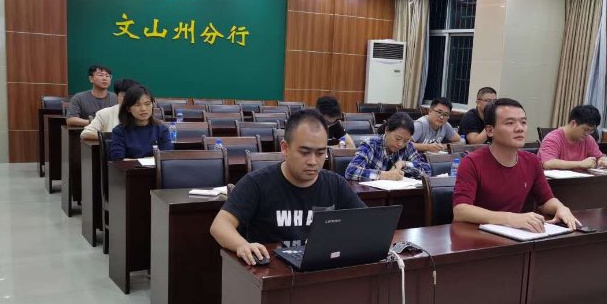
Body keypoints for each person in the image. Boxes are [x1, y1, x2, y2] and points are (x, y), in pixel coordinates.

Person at [210, 108, 366, 266]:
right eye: (304, 152)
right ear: (285, 148)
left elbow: (366, 223)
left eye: (320, 153)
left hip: (319, 268)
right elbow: (220, 225)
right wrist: (242, 245)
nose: (313, 161)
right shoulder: (256, 183)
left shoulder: (335, 184)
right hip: (270, 269)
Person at [453, 98, 580, 232]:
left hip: (512, 236)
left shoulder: (531, 161)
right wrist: (510, 218)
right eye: (510, 123)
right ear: (490, 130)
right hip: (474, 234)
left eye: (523, 122)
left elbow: (546, 201)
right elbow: (460, 210)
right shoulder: (472, 162)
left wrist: (561, 208)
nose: (519, 128)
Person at [345, 112, 431, 182]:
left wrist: (403, 164)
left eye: (405, 140)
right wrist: (385, 175)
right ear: (387, 131)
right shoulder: (371, 145)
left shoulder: (408, 147)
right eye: (397, 138)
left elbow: (426, 170)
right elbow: (351, 171)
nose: (401, 144)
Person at [538, 105, 607, 170]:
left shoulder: (588, 139)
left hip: (579, 180)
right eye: (585, 130)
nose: (587, 134)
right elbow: (548, 163)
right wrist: (580, 164)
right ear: (573, 123)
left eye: (591, 130)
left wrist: (604, 161)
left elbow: (600, 156)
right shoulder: (552, 138)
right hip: (555, 181)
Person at [109, 85, 173, 160]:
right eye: (137, 105)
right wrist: (152, 160)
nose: (143, 109)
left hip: (156, 168)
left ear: (152, 105)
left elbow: (167, 157)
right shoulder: (119, 131)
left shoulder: (162, 129)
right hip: (132, 168)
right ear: (128, 108)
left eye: (147, 104)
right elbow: (118, 160)